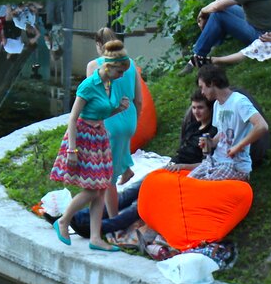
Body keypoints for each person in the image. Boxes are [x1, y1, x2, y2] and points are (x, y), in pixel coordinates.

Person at [64, 90, 214, 239]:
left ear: (210, 109)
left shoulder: (212, 133)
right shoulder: (193, 125)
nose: (196, 112)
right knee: (130, 192)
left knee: (143, 202)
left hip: (185, 174)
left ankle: (97, 228)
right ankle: (76, 218)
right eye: (194, 108)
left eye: (200, 108)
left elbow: (208, 164)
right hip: (171, 168)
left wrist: (182, 167)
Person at [50, 40, 132, 252]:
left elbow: (101, 112)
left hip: (99, 137)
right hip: (83, 137)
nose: (122, 75)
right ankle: (63, 220)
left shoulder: (109, 85)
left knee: (102, 187)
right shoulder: (88, 86)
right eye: (120, 71)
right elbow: (73, 118)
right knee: (91, 190)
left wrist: (118, 109)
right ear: (108, 67)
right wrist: (72, 149)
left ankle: (95, 237)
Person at [85, 27, 143, 218]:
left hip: (110, 119)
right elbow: (139, 99)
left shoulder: (95, 65)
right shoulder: (131, 64)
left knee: (107, 177)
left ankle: (113, 219)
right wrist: (137, 118)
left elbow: (93, 99)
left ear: (99, 45)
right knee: (120, 145)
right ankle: (126, 169)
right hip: (130, 117)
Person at [190, 64, 268, 182]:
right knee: (189, 182)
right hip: (216, 160)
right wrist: (210, 143)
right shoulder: (217, 104)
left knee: (203, 189)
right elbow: (222, 134)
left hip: (235, 164)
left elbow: (262, 126)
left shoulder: (239, 101)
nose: (202, 92)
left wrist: (239, 146)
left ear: (211, 83)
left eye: (202, 87)